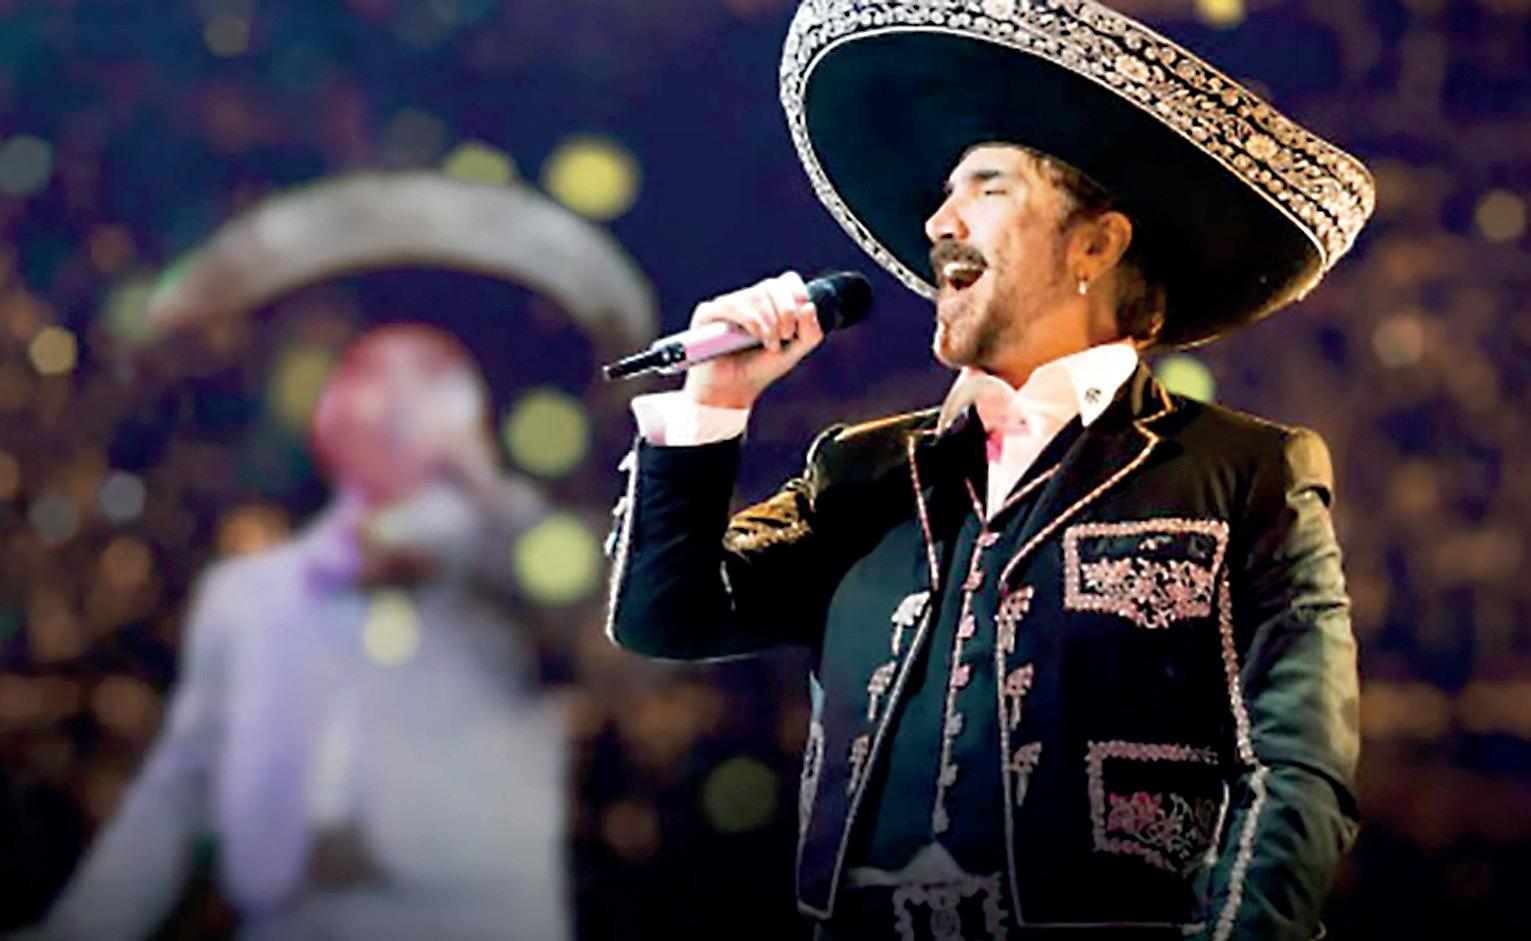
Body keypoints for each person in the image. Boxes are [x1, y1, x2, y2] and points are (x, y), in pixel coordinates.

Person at [605, 2, 1373, 939]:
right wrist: (714, 402)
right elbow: (665, 616)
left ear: (1094, 244)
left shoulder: (1241, 473)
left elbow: (1294, 770)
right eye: (944, 192)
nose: (938, 221)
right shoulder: (864, 471)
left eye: (987, 187)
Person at [29, 325, 569, 941]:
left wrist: (481, 488)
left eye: (424, 380)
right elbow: (179, 789)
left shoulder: (512, 562)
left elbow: (579, 614)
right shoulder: (250, 595)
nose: (389, 400)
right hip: (287, 919)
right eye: (365, 375)